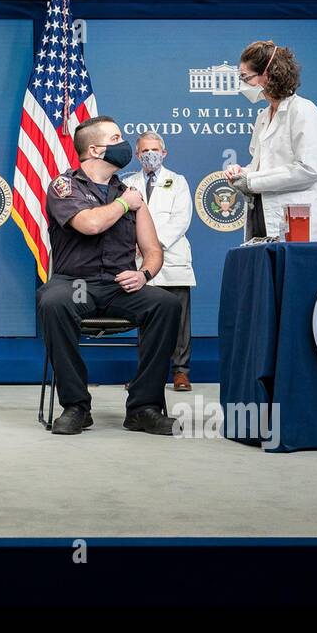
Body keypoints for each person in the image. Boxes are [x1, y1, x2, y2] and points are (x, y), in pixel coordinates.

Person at [38, 115, 183, 436]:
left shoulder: (130, 193)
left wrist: (144, 274)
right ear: (95, 149)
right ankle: (76, 406)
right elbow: (89, 224)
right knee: (53, 302)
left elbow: (153, 250)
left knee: (166, 305)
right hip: (75, 284)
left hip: (120, 285)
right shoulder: (66, 186)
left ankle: (143, 407)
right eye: (116, 138)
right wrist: (122, 203)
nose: (124, 145)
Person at [225, 40, 317, 241]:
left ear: (268, 74)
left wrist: (251, 181)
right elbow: (262, 166)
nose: (242, 85)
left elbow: (309, 169)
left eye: (245, 77)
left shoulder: (303, 110)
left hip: (303, 223)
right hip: (265, 218)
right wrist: (243, 172)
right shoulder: (263, 117)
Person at [125, 130, 195, 391]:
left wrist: (152, 246)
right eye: (145, 150)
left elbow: (181, 220)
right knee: (147, 321)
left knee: (178, 318)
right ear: (137, 154)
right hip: (140, 263)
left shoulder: (178, 181)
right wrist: (141, 249)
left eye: (155, 150)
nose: (150, 155)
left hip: (171, 258)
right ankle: (145, 375)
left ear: (164, 153)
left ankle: (181, 372)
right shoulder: (127, 183)